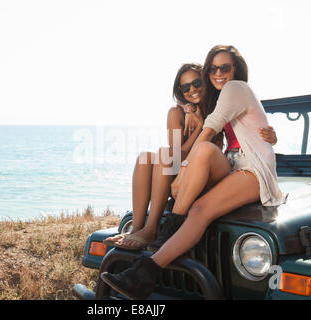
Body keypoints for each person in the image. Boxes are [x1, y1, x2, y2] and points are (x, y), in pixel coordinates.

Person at [100, 45, 288, 300]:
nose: (218, 73)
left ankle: (162, 235)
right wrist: (190, 115)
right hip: (228, 166)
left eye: (225, 67)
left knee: (202, 152)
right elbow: (180, 150)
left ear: (236, 69)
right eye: (213, 68)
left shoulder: (235, 89)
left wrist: (190, 160)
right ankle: (145, 249)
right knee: (196, 204)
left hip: (248, 168)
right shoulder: (201, 103)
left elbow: (212, 133)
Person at [103, 62, 277, 251]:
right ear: (180, 91)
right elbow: (178, 153)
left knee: (165, 154)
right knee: (146, 158)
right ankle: (138, 229)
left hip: (207, 170)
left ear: (205, 82)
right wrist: (194, 123)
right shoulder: (176, 113)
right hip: (180, 171)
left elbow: (245, 129)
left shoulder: (218, 106)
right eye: (185, 87)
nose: (192, 90)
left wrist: (272, 136)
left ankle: (151, 230)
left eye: (196, 83)